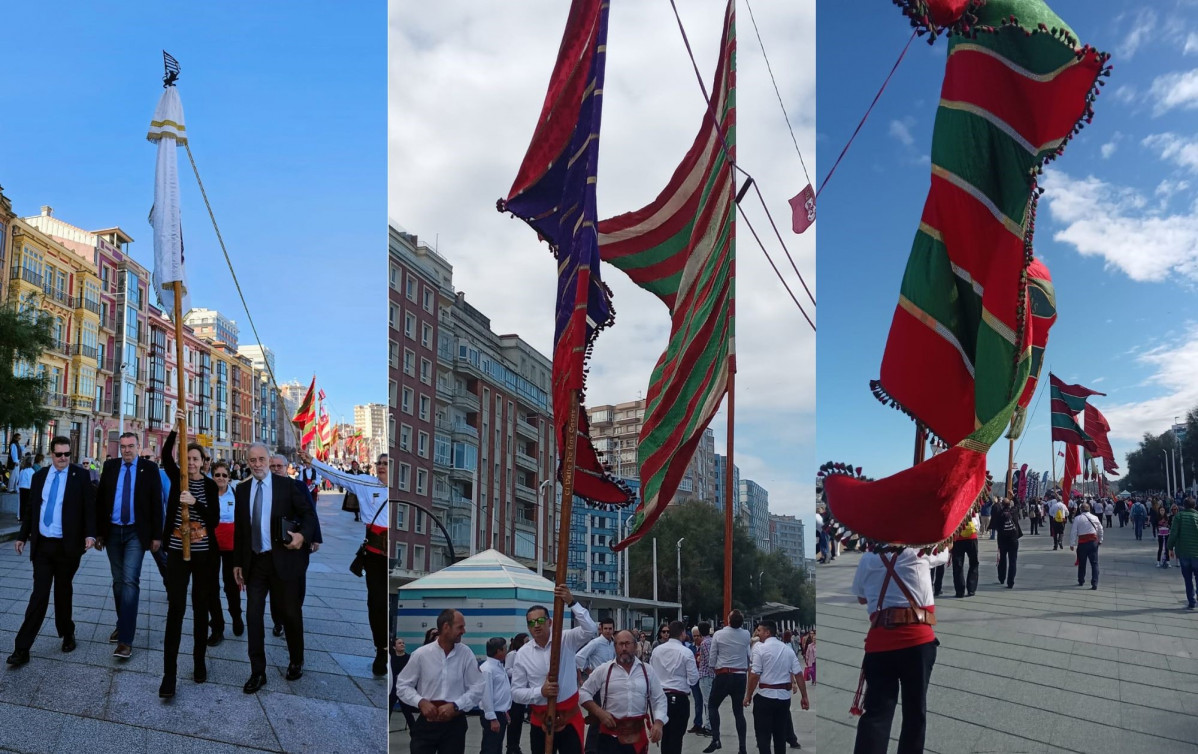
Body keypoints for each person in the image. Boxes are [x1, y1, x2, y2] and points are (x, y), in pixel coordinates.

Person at [233, 441, 318, 693]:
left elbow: (309, 516)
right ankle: (258, 671)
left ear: (269, 461)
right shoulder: (242, 489)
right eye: (252, 461)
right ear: (247, 462)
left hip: (283, 560)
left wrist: (302, 536)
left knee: (290, 613)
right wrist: (238, 561)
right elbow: (241, 530)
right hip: (255, 563)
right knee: (253, 616)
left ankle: (296, 660)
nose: (257, 465)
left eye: (261, 460)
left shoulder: (287, 486)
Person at [6, 436, 96, 667]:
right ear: (51, 454)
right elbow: (31, 509)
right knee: (39, 595)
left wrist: (90, 534)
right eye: (59, 454)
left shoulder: (80, 476)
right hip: (43, 546)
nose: (63, 458)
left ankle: (67, 633)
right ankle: (22, 648)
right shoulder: (39, 477)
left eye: (67, 454)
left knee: (63, 592)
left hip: (68, 547)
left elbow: (89, 508)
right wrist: (22, 536)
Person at [851, 547, 950, 754]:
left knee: (877, 713)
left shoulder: (868, 558)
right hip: (917, 642)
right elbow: (944, 553)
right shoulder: (920, 552)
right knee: (915, 711)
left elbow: (861, 597)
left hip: (880, 644)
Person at [306, 451, 390, 675]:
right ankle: (381, 649)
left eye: (387, 463)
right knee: (376, 603)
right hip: (374, 554)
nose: (382, 467)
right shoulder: (365, 483)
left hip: (397, 555)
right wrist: (312, 462)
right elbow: (337, 476)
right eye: (379, 463)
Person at [158, 429, 220, 698]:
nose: (191, 463)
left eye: (196, 459)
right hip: (176, 552)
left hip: (203, 555)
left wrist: (195, 502)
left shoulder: (208, 486)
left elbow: (214, 520)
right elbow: (165, 456)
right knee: (176, 609)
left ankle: (198, 662)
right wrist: (174, 429)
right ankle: (169, 674)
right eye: (188, 458)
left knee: (199, 608)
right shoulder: (177, 477)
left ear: (203, 462)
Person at [95, 432, 164, 659]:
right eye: (123, 446)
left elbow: (156, 503)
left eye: (130, 446)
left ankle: (125, 640)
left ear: (138, 446)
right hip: (113, 531)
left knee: (130, 580)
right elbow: (101, 500)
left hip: (136, 532)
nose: (126, 450)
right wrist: (98, 533)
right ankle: (122, 621)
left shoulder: (149, 469)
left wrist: (156, 536)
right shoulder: (110, 466)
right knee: (117, 582)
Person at [510, 585, 597, 754]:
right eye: (532, 622)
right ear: (528, 627)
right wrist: (539, 692)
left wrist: (572, 602)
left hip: (569, 719)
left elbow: (590, 629)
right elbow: (516, 693)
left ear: (549, 622)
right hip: (541, 722)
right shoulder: (522, 654)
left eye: (541, 621)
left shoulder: (565, 639)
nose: (536, 625)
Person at [395, 609, 485, 754]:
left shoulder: (465, 653)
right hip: (427, 722)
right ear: (446, 627)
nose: (464, 631)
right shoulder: (421, 654)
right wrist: (421, 702)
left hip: (455, 724)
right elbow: (402, 685)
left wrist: (456, 706)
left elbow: (478, 687)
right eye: (460, 627)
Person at [579, 629, 667, 754]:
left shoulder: (647, 671)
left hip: (636, 738)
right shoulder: (604, 670)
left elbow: (659, 698)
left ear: (635, 646)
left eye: (627, 643)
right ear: (615, 647)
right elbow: (583, 693)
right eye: (620, 644)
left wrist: (658, 723)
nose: (624, 648)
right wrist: (599, 712)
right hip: (609, 739)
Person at [268, 453, 323, 640]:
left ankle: (294, 613)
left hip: (298, 543)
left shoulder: (298, 486)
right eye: (272, 466)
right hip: (275, 546)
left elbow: (311, 512)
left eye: (279, 466)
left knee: (298, 583)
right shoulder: (265, 488)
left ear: (286, 468)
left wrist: (315, 537)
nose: (276, 469)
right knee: (275, 587)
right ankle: (278, 621)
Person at [744, 621, 808, 754]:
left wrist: (748, 695)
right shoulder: (787, 649)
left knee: (763, 736)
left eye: (759, 630)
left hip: (765, 697)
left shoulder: (759, 649)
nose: (757, 633)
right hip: (783, 699)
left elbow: (754, 675)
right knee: (780, 735)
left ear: (767, 632)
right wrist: (804, 696)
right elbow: (798, 674)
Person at [704, 610, 751, 754]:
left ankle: (716, 738)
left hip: (724, 674)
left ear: (729, 620)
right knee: (738, 712)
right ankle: (742, 747)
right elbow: (748, 655)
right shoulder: (746, 634)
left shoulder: (718, 634)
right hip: (740, 675)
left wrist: (714, 667)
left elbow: (712, 658)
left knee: (712, 705)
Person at [650, 621, 698, 754]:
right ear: (683, 633)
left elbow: (651, 673)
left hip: (660, 697)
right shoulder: (686, 652)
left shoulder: (657, 650)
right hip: (679, 696)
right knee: (677, 738)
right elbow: (694, 679)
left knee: (664, 736)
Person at [208, 459, 243, 642]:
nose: (220, 478)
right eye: (217, 475)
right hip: (211, 545)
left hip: (231, 546)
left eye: (224, 475)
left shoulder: (236, 493)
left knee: (231, 585)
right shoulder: (207, 493)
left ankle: (236, 616)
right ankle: (217, 625)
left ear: (229, 478)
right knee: (211, 586)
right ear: (212, 476)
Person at [482, 637, 514, 754]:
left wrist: (505, 711)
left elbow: (500, 692)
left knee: (497, 747)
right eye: (505, 648)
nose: (507, 651)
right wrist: (492, 718)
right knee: (490, 748)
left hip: (501, 713)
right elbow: (486, 696)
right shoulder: (487, 669)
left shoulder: (499, 666)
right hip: (493, 715)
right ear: (498, 651)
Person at [1168, 497, 1198, 609]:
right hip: (1197, 553)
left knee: (1188, 578)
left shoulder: (1179, 516)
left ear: (1184, 506)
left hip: (1184, 552)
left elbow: (1173, 533)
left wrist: (1170, 548)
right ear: (1194, 505)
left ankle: (1191, 602)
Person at [1070, 501, 1104, 590]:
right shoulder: (1095, 517)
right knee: (1094, 563)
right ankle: (1095, 583)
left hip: (1082, 543)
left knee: (1082, 563)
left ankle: (1081, 580)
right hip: (1093, 542)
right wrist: (1100, 540)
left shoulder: (1077, 518)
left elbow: (1074, 531)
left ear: (1081, 510)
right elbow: (1100, 530)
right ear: (1089, 509)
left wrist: (1072, 543)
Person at [991, 499, 1023, 589]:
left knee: (1002, 560)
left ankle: (1001, 577)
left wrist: (997, 502)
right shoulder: (1014, 512)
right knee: (1013, 561)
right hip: (1013, 540)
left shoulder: (999, 514)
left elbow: (995, 508)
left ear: (1002, 505)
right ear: (1010, 505)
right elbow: (1018, 504)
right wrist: (1013, 496)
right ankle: (1010, 582)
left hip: (1002, 540)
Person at [507, 632, 530, 754]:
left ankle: (516, 745)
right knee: (514, 721)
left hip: (524, 692)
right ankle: (511, 746)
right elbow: (507, 670)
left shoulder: (527, 654)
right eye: (526, 642)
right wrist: (519, 672)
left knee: (519, 720)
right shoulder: (513, 654)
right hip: (513, 693)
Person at [950, 512, 980, 598]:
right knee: (974, 563)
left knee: (957, 565)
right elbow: (976, 522)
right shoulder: (971, 504)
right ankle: (971, 589)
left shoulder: (956, 506)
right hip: (971, 537)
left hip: (958, 537)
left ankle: (960, 591)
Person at [694, 623, 714, 735]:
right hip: (711, 675)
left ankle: (708, 726)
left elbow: (709, 659)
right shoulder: (712, 641)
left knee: (707, 702)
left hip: (705, 674)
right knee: (709, 701)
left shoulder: (704, 643)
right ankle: (709, 724)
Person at [391, 636, 413, 724]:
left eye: (403, 643)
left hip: (404, 688)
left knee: (407, 712)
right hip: (393, 688)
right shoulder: (391, 658)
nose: (402, 644)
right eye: (399, 643)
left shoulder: (409, 658)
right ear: (394, 647)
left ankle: (414, 733)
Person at [17, 454, 34, 522]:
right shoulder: (31, 471)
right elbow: (31, 482)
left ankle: (21, 517)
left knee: (22, 504)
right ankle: (26, 518)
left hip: (21, 488)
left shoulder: (22, 470)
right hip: (28, 489)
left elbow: (19, 480)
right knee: (27, 504)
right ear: (30, 463)